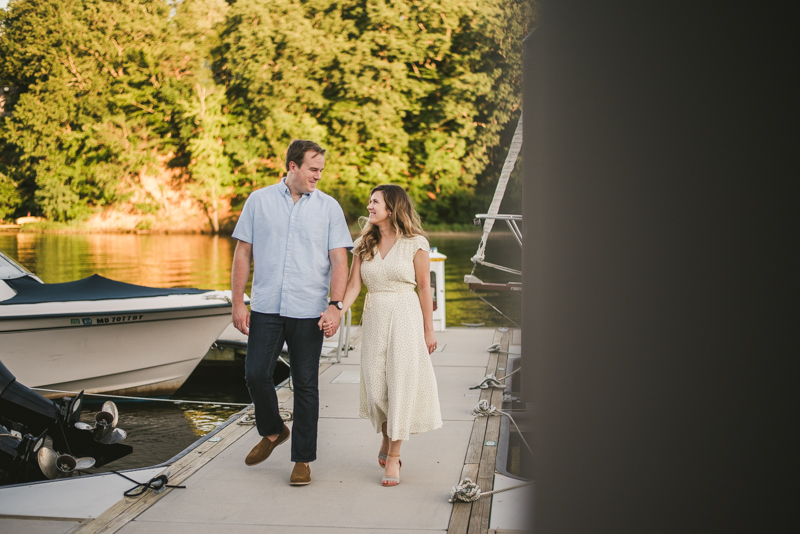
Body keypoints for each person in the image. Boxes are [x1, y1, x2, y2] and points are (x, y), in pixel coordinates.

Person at [231, 139, 353, 486]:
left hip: (309, 309)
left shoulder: (329, 208)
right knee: (255, 374)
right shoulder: (258, 200)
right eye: (313, 169)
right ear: (293, 167)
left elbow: (339, 260)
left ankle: (302, 459)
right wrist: (238, 302)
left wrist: (335, 304)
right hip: (267, 305)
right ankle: (272, 431)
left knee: (306, 385)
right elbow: (243, 254)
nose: (318, 175)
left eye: (321, 170)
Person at [325, 184, 443, 486]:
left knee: (400, 384)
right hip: (375, 315)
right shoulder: (364, 243)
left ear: (391, 208)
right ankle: (387, 437)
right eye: (369, 202)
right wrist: (337, 309)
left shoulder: (416, 243)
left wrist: (429, 330)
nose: (369, 207)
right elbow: (353, 287)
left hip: (405, 315)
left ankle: (394, 457)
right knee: (377, 388)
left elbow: (424, 286)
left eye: (374, 202)